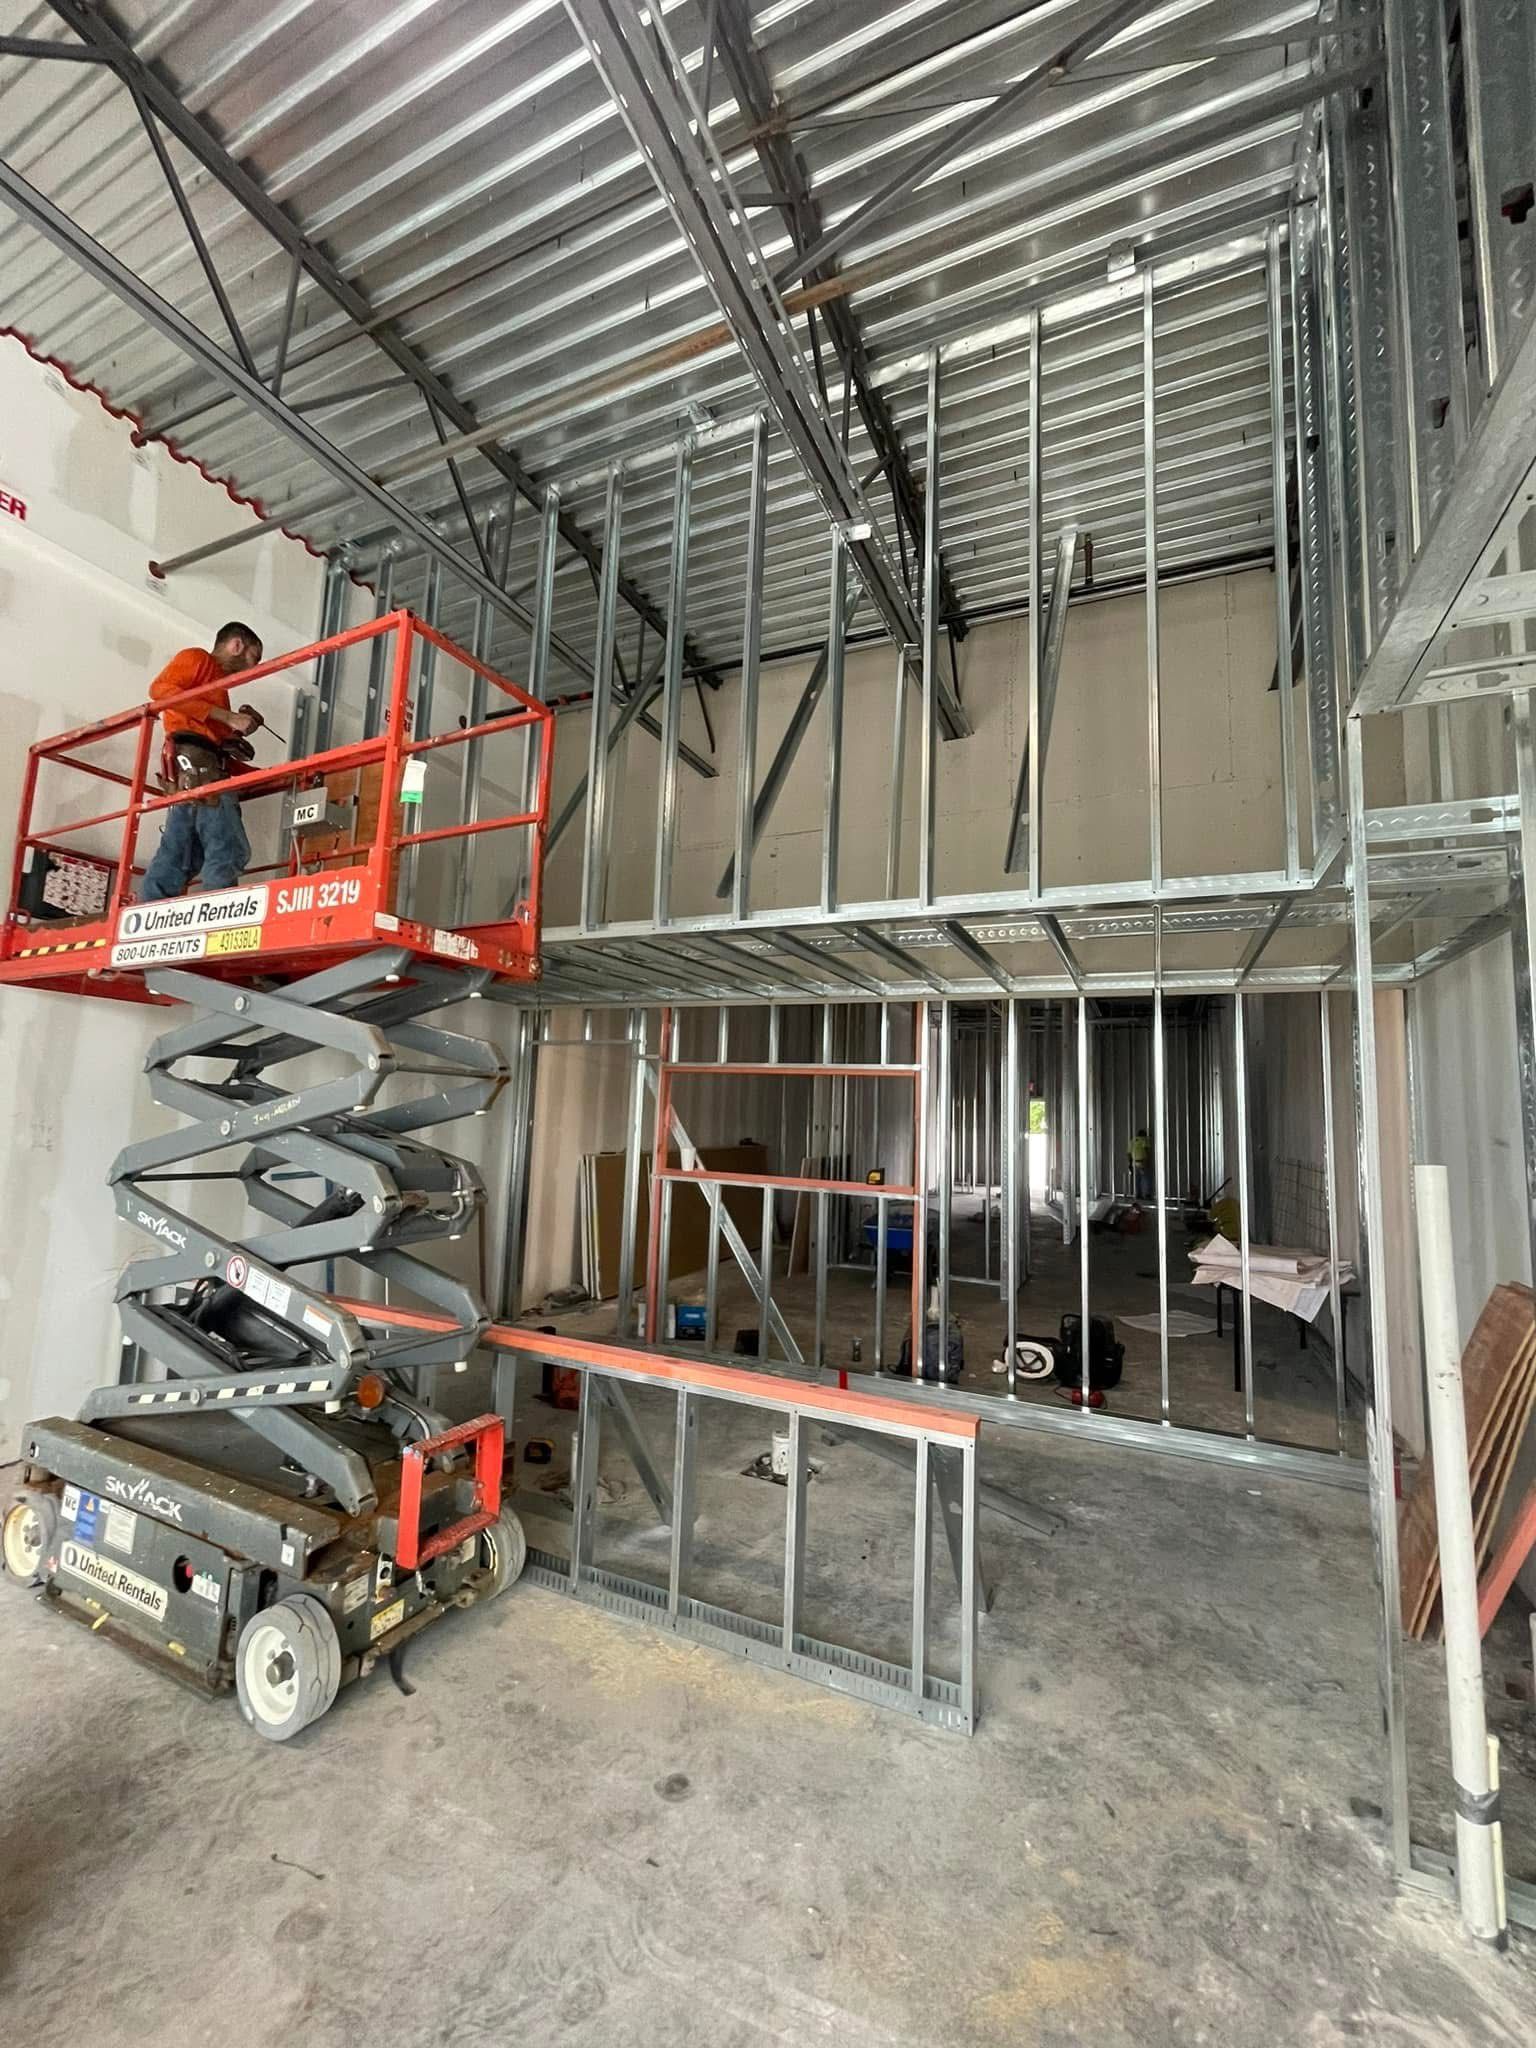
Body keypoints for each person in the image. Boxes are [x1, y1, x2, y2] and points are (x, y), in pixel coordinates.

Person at [140, 622, 264, 901]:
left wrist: (265, 773)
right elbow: (159, 690)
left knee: (182, 854)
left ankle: (147, 911)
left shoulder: (219, 691)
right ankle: (215, 915)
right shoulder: (198, 659)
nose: (253, 668)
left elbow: (217, 749)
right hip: (195, 764)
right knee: (228, 847)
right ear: (237, 645)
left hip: (191, 769)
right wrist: (228, 718)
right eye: (253, 658)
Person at [1128, 1127, 1153, 1202]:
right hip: (1142, 1162)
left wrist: (1130, 1164)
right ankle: (1147, 1195)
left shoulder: (1132, 1141)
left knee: (1137, 1179)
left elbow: (1128, 1154)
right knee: (1146, 1179)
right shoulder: (1144, 1140)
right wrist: (1148, 1162)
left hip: (1134, 1163)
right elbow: (1147, 1151)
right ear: (1144, 1135)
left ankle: (1138, 1194)